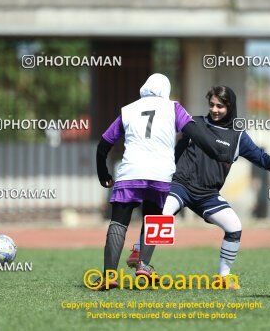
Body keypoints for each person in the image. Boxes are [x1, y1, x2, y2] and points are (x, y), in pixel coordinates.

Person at [126, 85, 270, 289]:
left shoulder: (238, 136)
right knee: (162, 213)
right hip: (180, 185)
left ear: (230, 106)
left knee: (234, 226)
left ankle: (223, 277)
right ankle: (140, 255)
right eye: (211, 104)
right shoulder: (195, 123)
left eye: (220, 106)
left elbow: (261, 158)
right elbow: (173, 150)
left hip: (207, 195)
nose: (215, 109)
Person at [94, 73, 231, 291]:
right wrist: (218, 151)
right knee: (154, 220)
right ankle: (144, 266)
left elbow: (103, 145)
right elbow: (196, 134)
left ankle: (109, 275)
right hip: (160, 175)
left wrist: (104, 175)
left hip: (130, 173)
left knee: (119, 222)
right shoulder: (174, 108)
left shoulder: (127, 110)